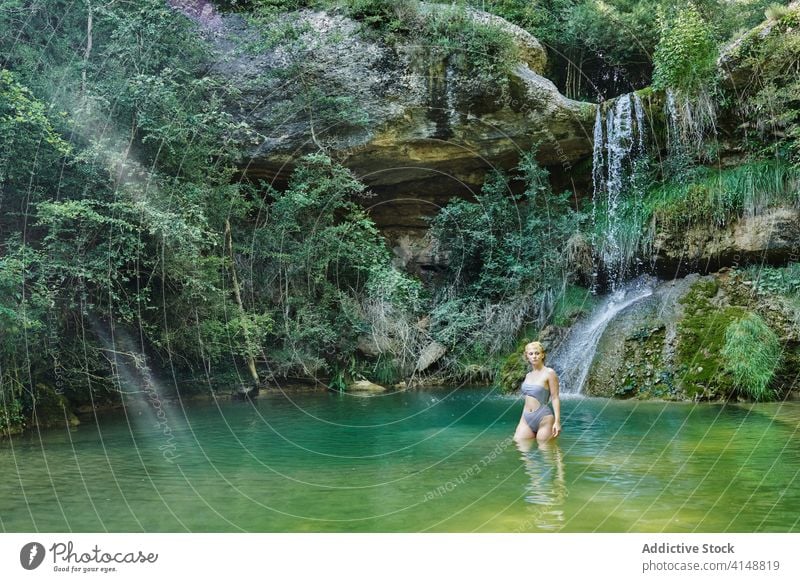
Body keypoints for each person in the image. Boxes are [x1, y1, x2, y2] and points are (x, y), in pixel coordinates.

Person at [513, 341, 561, 443]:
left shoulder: (550, 373)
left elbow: (555, 397)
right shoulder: (528, 375)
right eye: (531, 354)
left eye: (537, 353)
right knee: (521, 448)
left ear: (542, 355)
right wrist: (522, 420)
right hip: (526, 418)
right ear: (527, 356)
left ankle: (559, 458)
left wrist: (557, 422)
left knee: (547, 452)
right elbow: (527, 400)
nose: (534, 356)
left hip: (544, 418)